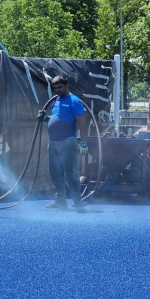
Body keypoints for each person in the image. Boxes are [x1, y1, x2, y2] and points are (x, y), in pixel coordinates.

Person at [45, 74, 89, 211]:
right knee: (55, 172)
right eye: (55, 88)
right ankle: (60, 201)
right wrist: (46, 118)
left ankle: (77, 202)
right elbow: (57, 117)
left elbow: (82, 122)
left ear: (66, 85)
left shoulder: (74, 101)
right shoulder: (56, 100)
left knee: (71, 173)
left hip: (67, 141)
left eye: (60, 87)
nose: (57, 90)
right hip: (53, 142)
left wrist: (83, 141)